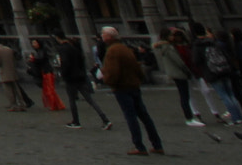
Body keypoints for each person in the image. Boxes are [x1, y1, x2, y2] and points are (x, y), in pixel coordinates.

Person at [98, 28, 162, 157]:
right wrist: (138, 80)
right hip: (133, 86)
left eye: (103, 35)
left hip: (122, 88)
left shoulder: (112, 51)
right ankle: (157, 144)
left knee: (131, 117)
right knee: (144, 116)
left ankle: (139, 146)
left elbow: (113, 72)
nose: (102, 37)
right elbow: (137, 68)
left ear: (109, 37)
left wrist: (107, 80)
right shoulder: (125, 49)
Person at [55, 35, 110, 130]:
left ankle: (76, 121)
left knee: (72, 100)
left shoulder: (63, 49)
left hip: (71, 78)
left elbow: (65, 63)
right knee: (90, 99)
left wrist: (63, 74)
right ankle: (105, 118)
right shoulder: (75, 48)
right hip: (79, 76)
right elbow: (81, 61)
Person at [151, 29, 200, 126]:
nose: (173, 37)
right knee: (184, 96)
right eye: (171, 35)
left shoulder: (164, 47)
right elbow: (178, 61)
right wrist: (186, 70)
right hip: (179, 73)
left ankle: (189, 117)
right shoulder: (168, 47)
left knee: (184, 96)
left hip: (174, 73)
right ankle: (189, 118)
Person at [0, 38, 28, 112]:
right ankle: (21, 104)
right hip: (12, 71)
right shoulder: (9, 49)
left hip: (4, 72)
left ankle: (13, 105)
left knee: (8, 90)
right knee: (16, 89)